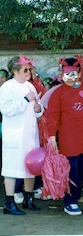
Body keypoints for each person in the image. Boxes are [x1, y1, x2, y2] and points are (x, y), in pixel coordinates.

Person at [46, 57, 83, 216]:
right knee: (70, 171)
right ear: (61, 74)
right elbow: (52, 116)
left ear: (79, 73)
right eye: (66, 73)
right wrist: (52, 137)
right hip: (68, 138)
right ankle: (71, 201)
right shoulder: (58, 93)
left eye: (73, 73)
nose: (70, 76)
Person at [0, 55, 44, 215]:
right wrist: (26, 100)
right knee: (12, 168)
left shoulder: (30, 86)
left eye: (30, 69)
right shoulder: (7, 87)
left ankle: (28, 199)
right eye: (26, 69)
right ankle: (9, 203)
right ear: (15, 71)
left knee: (30, 167)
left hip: (31, 135)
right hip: (16, 135)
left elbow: (37, 108)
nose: (29, 72)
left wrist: (38, 109)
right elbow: (5, 109)